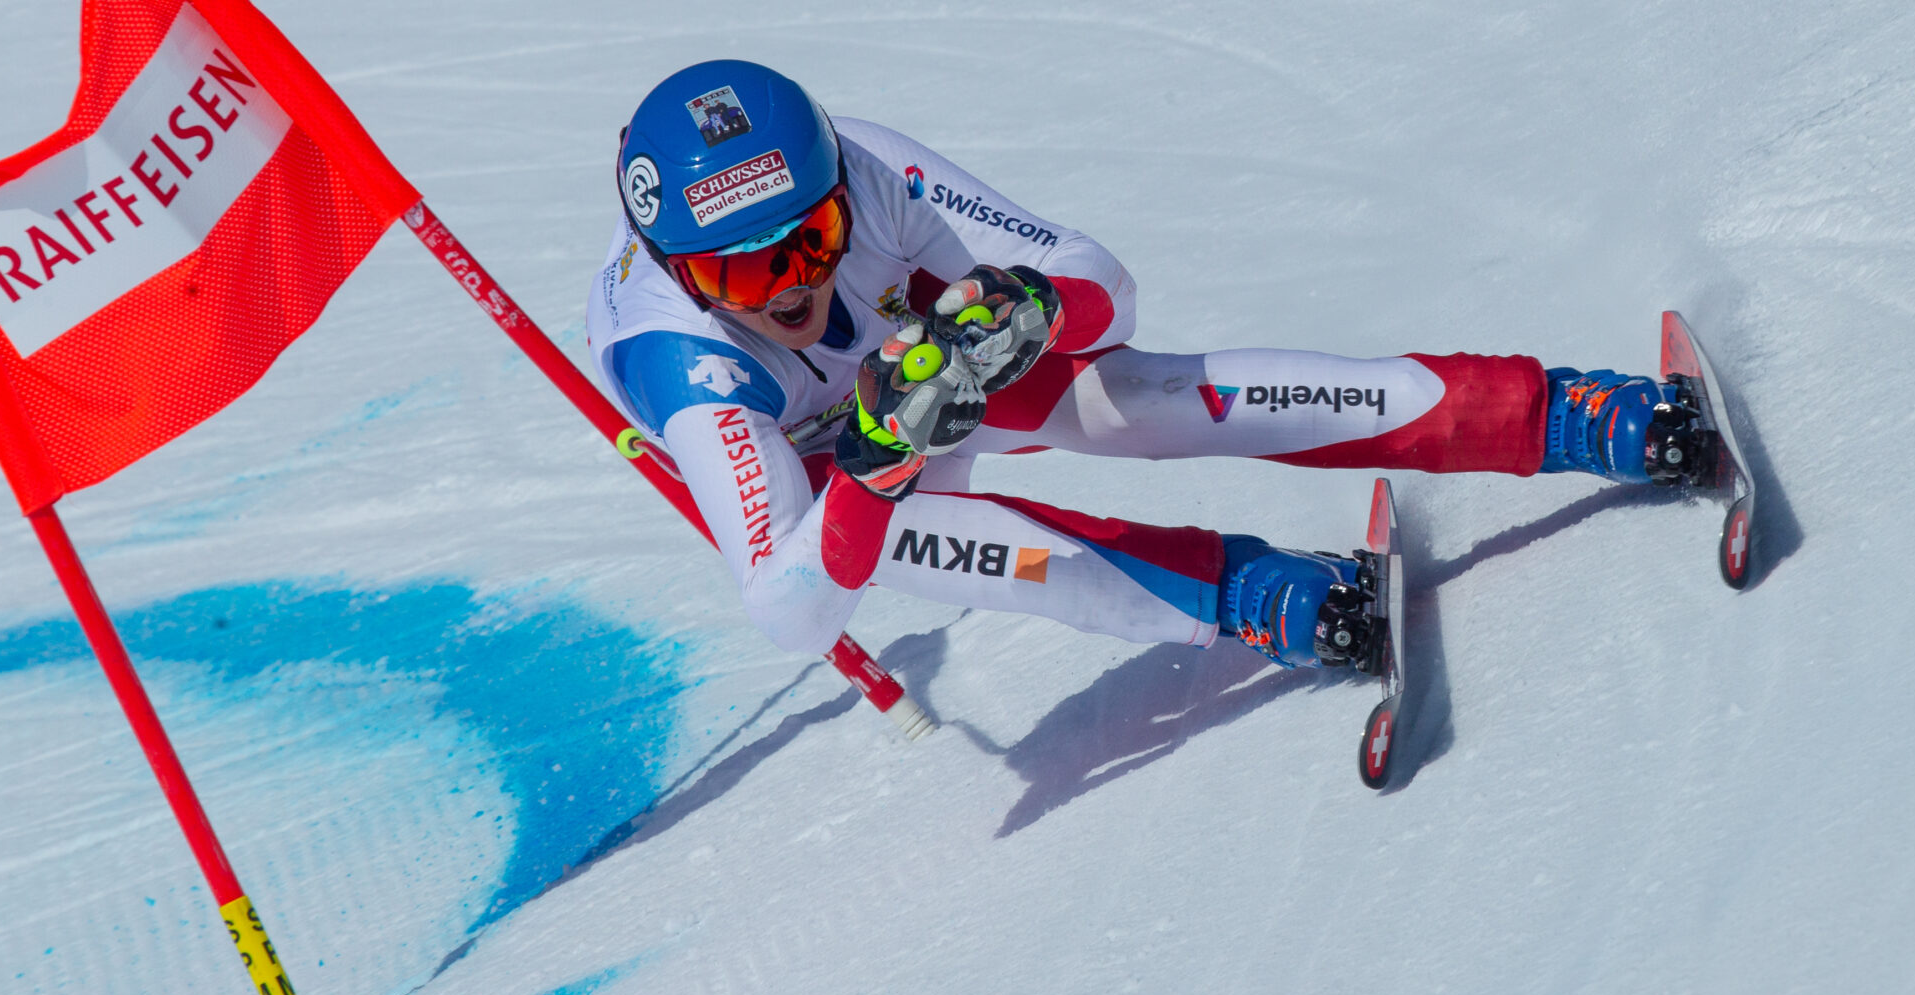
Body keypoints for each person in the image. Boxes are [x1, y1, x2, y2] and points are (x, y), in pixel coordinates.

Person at [585, 60, 1703, 673]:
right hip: (832, 465)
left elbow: (1099, 280)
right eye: (743, 277)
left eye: (811, 242)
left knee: (1134, 399)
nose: (788, 286)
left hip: (918, 360)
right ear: (680, 277)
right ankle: (1254, 595)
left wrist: (1025, 305)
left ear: (837, 189)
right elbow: (790, 609)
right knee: (927, 545)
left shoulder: (870, 166)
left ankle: (1562, 415)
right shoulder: (682, 365)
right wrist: (874, 468)